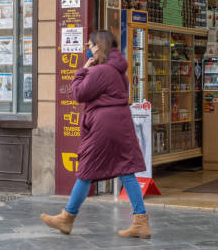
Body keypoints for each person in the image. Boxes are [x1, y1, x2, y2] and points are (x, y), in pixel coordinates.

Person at [40, 30, 150, 238]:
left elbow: (79, 94)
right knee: (126, 170)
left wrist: (82, 71)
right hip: (121, 123)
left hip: (104, 125)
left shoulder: (102, 71)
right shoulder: (118, 72)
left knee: (87, 170)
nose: (88, 50)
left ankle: (67, 218)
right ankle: (140, 221)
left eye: (89, 46)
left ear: (98, 47)